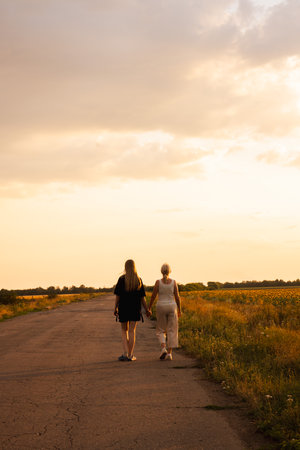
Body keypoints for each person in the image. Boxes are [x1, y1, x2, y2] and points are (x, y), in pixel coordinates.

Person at [114, 259, 150, 361]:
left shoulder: (121, 279)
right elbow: (142, 298)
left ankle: (125, 353)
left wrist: (115, 307)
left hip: (123, 308)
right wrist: (147, 309)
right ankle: (130, 355)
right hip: (135, 308)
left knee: (123, 331)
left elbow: (118, 296)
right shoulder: (138, 280)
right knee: (132, 331)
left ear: (125, 267)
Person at [148, 263, 181, 360]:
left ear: (161, 271)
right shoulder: (174, 282)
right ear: (170, 271)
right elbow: (177, 297)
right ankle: (169, 354)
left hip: (161, 306)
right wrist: (179, 309)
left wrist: (149, 307)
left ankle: (163, 348)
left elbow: (153, 296)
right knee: (172, 330)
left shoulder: (158, 282)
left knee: (160, 330)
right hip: (172, 306)